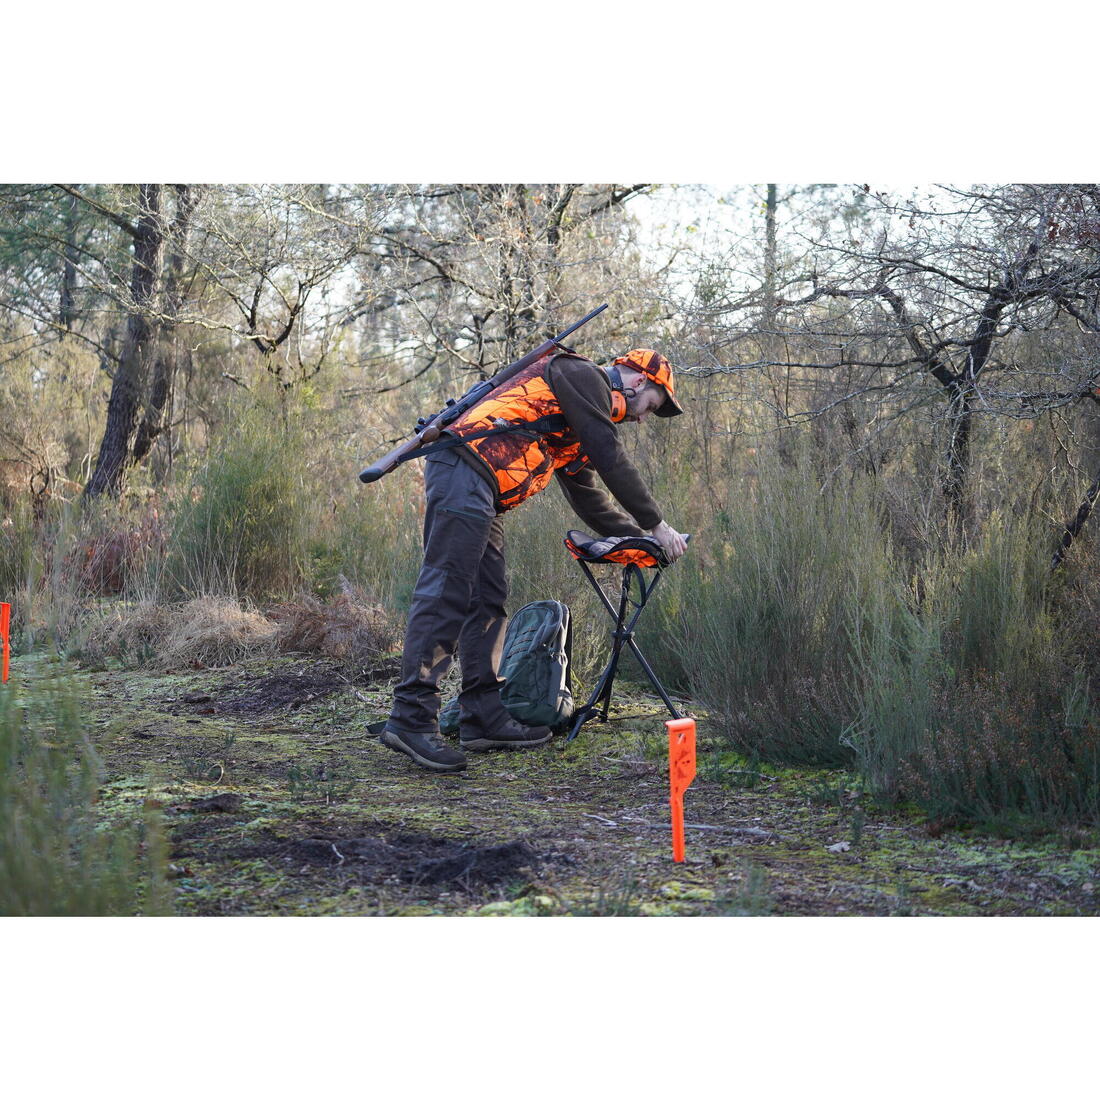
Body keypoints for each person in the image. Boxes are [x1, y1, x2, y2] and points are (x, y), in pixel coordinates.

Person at [378, 344, 689, 773]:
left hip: (482, 489)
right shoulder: (583, 377)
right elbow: (610, 456)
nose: (641, 419)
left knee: (487, 600)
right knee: (447, 590)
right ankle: (411, 718)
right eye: (651, 406)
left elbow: (589, 496)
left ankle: (483, 716)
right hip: (464, 469)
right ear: (638, 381)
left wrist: (644, 541)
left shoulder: (580, 414)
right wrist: (657, 524)